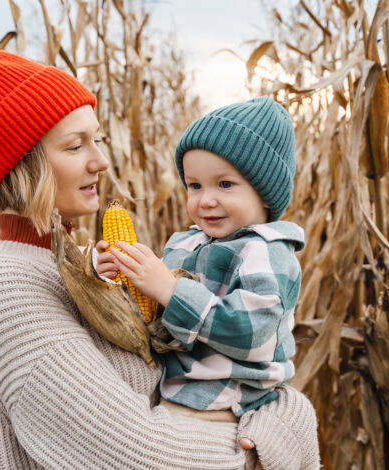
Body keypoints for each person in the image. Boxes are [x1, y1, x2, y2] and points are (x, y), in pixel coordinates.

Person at [0, 49, 319, 469]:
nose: (101, 161)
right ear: (22, 164)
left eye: (98, 139)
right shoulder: (3, 287)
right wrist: (286, 428)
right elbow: (144, 460)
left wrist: (282, 407)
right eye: (75, 146)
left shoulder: (82, 263)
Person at [97, 96, 305, 422]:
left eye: (224, 184)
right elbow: (155, 313)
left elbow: (255, 335)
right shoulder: (187, 242)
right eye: (194, 185)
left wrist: (170, 289)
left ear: (264, 193)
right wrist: (117, 276)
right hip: (179, 387)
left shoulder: (266, 252)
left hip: (227, 396)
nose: (206, 200)